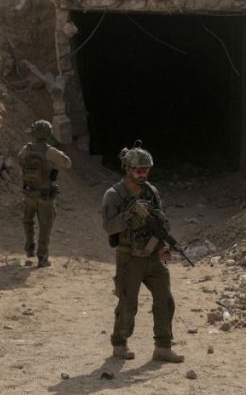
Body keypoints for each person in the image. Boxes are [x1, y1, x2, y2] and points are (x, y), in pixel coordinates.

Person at [102, 142, 184, 363]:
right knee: (128, 304)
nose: (142, 174)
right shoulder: (114, 195)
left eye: (146, 170)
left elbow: (160, 222)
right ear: (127, 169)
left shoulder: (151, 191)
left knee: (165, 300)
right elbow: (109, 227)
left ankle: (163, 347)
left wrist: (164, 247)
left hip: (152, 256)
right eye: (138, 170)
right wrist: (129, 215)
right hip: (129, 257)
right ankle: (119, 344)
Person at [17, 120, 71, 268]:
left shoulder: (26, 149)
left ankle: (29, 249)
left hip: (29, 192)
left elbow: (20, 160)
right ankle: (42, 257)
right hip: (44, 196)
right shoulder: (49, 151)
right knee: (45, 226)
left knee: (28, 221)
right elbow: (67, 163)